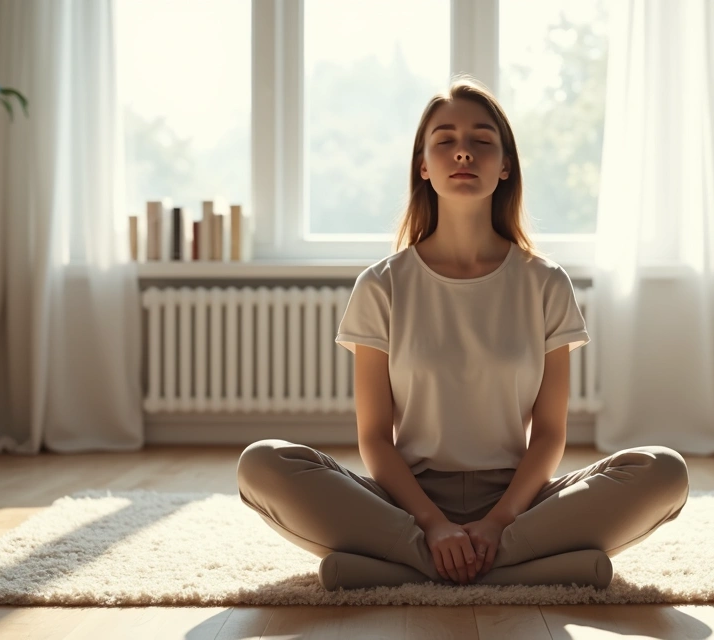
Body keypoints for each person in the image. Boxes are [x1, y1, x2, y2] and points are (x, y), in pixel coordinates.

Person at [237, 75, 689, 592]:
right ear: (423, 166)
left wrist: (497, 523)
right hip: (406, 502)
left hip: (519, 503)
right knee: (262, 463)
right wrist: (431, 524)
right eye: (445, 141)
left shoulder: (546, 283)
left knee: (664, 471)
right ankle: (516, 566)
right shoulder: (381, 285)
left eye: (481, 141)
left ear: (505, 165)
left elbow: (548, 436)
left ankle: (402, 568)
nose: (463, 153)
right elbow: (374, 440)